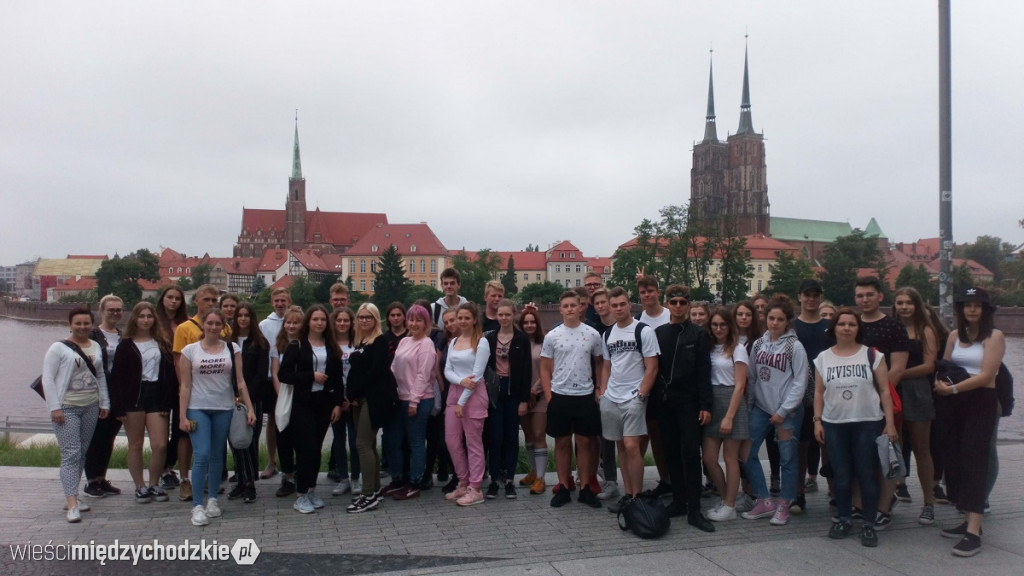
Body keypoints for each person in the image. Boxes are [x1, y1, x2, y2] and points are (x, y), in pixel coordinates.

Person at [813, 307, 897, 548]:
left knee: (867, 475)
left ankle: (869, 524)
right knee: (841, 475)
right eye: (842, 324)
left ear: (858, 328)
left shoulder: (871, 355)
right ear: (835, 328)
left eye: (851, 324)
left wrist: (889, 422)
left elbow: (884, 390)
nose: (847, 328)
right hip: (835, 423)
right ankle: (844, 518)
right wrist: (817, 420)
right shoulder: (823, 358)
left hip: (867, 422)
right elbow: (819, 392)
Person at [935, 287, 1004, 557]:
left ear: (986, 310)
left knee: (976, 462)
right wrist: (941, 383)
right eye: (967, 305)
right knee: (955, 460)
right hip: (954, 404)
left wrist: (952, 389)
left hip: (981, 402)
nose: (972, 309)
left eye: (977, 305)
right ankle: (966, 518)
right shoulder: (954, 335)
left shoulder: (994, 336)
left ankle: (974, 532)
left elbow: (987, 375)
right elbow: (945, 364)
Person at [177, 308, 255, 527]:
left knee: (217, 454)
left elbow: (240, 382)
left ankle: (212, 499)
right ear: (203, 325)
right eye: (209, 323)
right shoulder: (189, 351)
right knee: (201, 454)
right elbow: (185, 385)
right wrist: (182, 416)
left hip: (224, 407)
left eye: (217, 324)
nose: (213, 327)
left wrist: (250, 408)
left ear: (223, 327)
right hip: (198, 407)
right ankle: (197, 505)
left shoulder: (232, 349)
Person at [742, 295, 808, 527]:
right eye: (771, 318)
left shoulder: (794, 346)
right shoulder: (759, 344)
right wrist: (750, 405)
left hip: (786, 411)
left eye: (780, 319)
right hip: (760, 407)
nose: (774, 323)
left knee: (788, 458)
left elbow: (800, 382)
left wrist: (784, 410)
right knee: (747, 452)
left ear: (788, 321)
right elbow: (751, 376)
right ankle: (764, 499)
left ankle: (784, 503)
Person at [654, 284, 715, 532]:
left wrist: (706, 405)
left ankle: (694, 509)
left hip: (690, 402)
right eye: (674, 302)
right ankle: (678, 501)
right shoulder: (658, 333)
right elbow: (651, 368)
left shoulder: (698, 334)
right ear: (667, 304)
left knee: (691, 452)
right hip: (665, 401)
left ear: (688, 305)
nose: (678, 306)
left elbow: (704, 372)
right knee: (671, 452)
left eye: (682, 302)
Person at [43, 307, 110, 523]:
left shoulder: (96, 346)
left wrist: (104, 402)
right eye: (78, 323)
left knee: (81, 453)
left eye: (86, 323)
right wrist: (55, 407)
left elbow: (100, 374)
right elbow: (48, 379)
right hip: (67, 407)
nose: (82, 327)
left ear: (92, 324)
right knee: (71, 453)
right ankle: (72, 503)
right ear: (70, 324)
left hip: (90, 405)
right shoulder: (58, 348)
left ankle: (73, 495)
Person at [597, 287, 660, 514]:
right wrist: (603, 392)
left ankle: (637, 495)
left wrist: (641, 395)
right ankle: (627, 495)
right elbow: (606, 365)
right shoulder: (608, 334)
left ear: (629, 304)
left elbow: (652, 367)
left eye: (622, 304)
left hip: (634, 396)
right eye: (614, 305)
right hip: (612, 397)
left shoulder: (643, 331)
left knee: (632, 446)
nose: (618, 309)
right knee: (621, 447)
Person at [541, 291, 605, 509]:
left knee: (585, 442)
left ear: (580, 308)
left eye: (573, 305)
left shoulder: (593, 334)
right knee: (561, 442)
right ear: (560, 309)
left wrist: (598, 387)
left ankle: (586, 487)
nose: (569, 309)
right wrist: (549, 396)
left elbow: (599, 362)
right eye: (565, 305)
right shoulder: (552, 335)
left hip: (584, 394)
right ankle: (563, 486)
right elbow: (545, 367)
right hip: (560, 395)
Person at [279, 305, 345, 514]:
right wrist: (311, 376)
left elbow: (337, 378)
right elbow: (284, 375)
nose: (319, 323)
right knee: (306, 449)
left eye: (323, 320)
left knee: (316, 450)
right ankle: (300, 495)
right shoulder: (297, 345)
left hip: (323, 403)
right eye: (315, 319)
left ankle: (311, 490)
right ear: (308, 321)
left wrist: (337, 403)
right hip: (303, 404)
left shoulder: (331, 346)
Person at [854, 277, 908, 529]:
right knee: (860, 454)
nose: (864, 300)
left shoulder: (894, 327)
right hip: (854, 402)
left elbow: (897, 369)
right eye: (860, 296)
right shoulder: (851, 324)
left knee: (886, 455)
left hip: (884, 401)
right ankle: (860, 504)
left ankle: (884, 507)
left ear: (880, 297)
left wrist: (878, 398)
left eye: (869, 295)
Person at [108, 302, 176, 504]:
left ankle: (154, 483)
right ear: (135, 319)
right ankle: (140, 486)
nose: (146, 320)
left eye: (149, 316)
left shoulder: (162, 343)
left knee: (160, 444)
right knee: (136, 444)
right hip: (133, 397)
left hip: (156, 395)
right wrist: (118, 406)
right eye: (142, 316)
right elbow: (117, 379)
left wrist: (167, 400)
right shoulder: (126, 346)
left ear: (154, 319)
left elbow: (170, 376)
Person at [172, 285, 231, 503]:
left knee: (214, 449)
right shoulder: (184, 328)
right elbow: (178, 363)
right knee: (189, 442)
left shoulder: (223, 329)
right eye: (206, 299)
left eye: (214, 300)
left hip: (218, 398)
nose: (210, 303)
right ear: (196, 300)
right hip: (192, 395)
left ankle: (210, 484)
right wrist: (184, 397)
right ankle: (185, 479)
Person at [892, 287, 938, 524]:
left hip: (917, 390)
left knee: (922, 449)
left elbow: (929, 365)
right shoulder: (893, 328)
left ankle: (928, 502)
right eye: (899, 302)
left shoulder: (925, 330)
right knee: (893, 446)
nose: (903, 307)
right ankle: (892, 492)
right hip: (894, 390)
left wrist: (899, 373)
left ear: (916, 304)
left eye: (908, 302)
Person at [346, 303, 397, 513]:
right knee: (369, 444)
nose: (364, 320)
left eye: (368, 317)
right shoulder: (360, 341)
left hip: (374, 399)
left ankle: (367, 494)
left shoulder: (380, 341)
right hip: (360, 398)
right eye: (361, 317)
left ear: (376, 319)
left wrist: (354, 391)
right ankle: (375, 489)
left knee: (362, 444)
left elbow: (376, 372)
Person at [702, 307, 749, 522]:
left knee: (731, 457)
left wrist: (730, 416)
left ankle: (730, 504)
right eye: (715, 325)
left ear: (730, 326)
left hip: (732, 401)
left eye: (723, 324)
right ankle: (725, 498)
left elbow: (740, 385)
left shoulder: (737, 349)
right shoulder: (709, 347)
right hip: (712, 401)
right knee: (709, 458)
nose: (719, 328)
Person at [387, 304, 438, 501]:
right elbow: (393, 367)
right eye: (411, 319)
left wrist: (414, 401)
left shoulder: (426, 344)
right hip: (399, 397)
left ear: (426, 323)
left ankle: (415, 481)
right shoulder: (404, 341)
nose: (414, 324)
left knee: (416, 441)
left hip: (418, 399)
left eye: (419, 320)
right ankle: (398, 479)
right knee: (394, 440)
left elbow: (423, 375)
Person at [443, 303, 491, 506]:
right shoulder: (453, 341)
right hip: (455, 392)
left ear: (473, 319)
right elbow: (447, 369)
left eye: (465, 318)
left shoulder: (481, 342)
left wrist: (462, 400)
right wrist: (460, 382)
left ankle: (475, 487)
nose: (462, 321)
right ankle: (462, 481)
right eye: (459, 318)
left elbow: (477, 375)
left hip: (473, 396)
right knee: (452, 441)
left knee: (473, 442)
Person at [484, 299, 532, 499]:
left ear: (514, 315)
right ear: (496, 316)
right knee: (495, 437)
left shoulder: (521, 339)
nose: (504, 318)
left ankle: (510, 479)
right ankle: (494, 479)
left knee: (511, 437)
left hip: (514, 391)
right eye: (500, 315)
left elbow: (527, 371)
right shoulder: (490, 338)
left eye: (507, 314)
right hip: (495, 391)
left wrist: (524, 400)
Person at [793, 279, 830, 514]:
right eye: (807, 294)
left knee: (830, 447)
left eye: (816, 295)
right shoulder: (791, 326)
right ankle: (798, 495)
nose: (811, 298)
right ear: (800, 297)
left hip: (828, 391)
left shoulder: (830, 326)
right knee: (802, 447)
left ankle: (836, 493)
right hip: (800, 392)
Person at [227, 301, 269, 503]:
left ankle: (250, 484)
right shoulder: (227, 341)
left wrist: (245, 396)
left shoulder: (260, 342)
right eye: (239, 315)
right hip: (229, 398)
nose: (243, 318)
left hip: (253, 399)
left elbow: (261, 374)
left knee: (249, 441)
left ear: (252, 319)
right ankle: (240, 481)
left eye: (246, 315)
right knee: (235, 441)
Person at [82, 295, 124, 498]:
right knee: (96, 437)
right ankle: (91, 481)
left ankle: (101, 478)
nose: (115, 313)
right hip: (97, 393)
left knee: (109, 437)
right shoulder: (93, 334)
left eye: (118, 309)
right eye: (111, 309)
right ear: (102, 311)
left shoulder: (123, 335)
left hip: (117, 393)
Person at [635, 276, 672, 498]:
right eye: (643, 292)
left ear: (658, 292)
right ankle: (665, 479)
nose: (647, 295)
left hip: (669, 383)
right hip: (648, 383)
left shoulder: (670, 315)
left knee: (672, 436)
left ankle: (679, 478)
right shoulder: (638, 320)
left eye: (650, 291)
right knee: (652, 434)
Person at [155, 286, 188, 490]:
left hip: (182, 380)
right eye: (170, 297)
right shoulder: (155, 322)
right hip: (161, 380)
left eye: (177, 298)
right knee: (160, 429)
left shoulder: (186, 322)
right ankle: (162, 469)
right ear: (163, 299)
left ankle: (169, 465)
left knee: (179, 428)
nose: (173, 301)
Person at [258, 288, 292, 481]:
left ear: (289, 301)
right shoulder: (264, 325)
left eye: (283, 300)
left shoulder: (296, 320)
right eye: (277, 301)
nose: (280, 304)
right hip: (272, 380)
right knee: (272, 420)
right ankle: (272, 462)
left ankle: (291, 464)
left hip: (293, 378)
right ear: (272, 302)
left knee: (292, 422)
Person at [270, 307, 303, 498]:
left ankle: (300, 472)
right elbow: (275, 372)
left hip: (299, 394)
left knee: (300, 435)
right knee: (283, 435)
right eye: (288, 322)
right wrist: (280, 392)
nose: (291, 326)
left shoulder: (305, 344)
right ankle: (287, 475)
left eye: (295, 322)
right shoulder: (278, 345)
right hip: (282, 393)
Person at [517, 304, 549, 495]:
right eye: (526, 322)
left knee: (538, 435)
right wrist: (524, 393)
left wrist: (534, 391)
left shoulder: (544, 343)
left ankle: (541, 478)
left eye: (532, 322)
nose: (529, 325)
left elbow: (548, 370)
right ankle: (533, 470)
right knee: (528, 437)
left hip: (540, 395)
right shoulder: (518, 342)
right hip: (522, 396)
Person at [329, 307, 361, 496]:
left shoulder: (357, 343)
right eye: (339, 320)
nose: (342, 323)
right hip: (336, 401)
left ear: (351, 323)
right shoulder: (330, 345)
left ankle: (356, 477)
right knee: (339, 440)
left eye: (346, 320)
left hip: (354, 400)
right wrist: (338, 400)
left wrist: (353, 397)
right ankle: (343, 478)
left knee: (356, 440)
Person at [433, 307, 461, 493]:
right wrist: (443, 391)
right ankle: (456, 475)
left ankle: (465, 478)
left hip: (468, 391)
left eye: (453, 320)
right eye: (447, 321)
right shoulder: (443, 341)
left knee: (467, 439)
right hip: (448, 393)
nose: (450, 324)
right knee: (448, 439)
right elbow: (436, 368)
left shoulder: (472, 339)